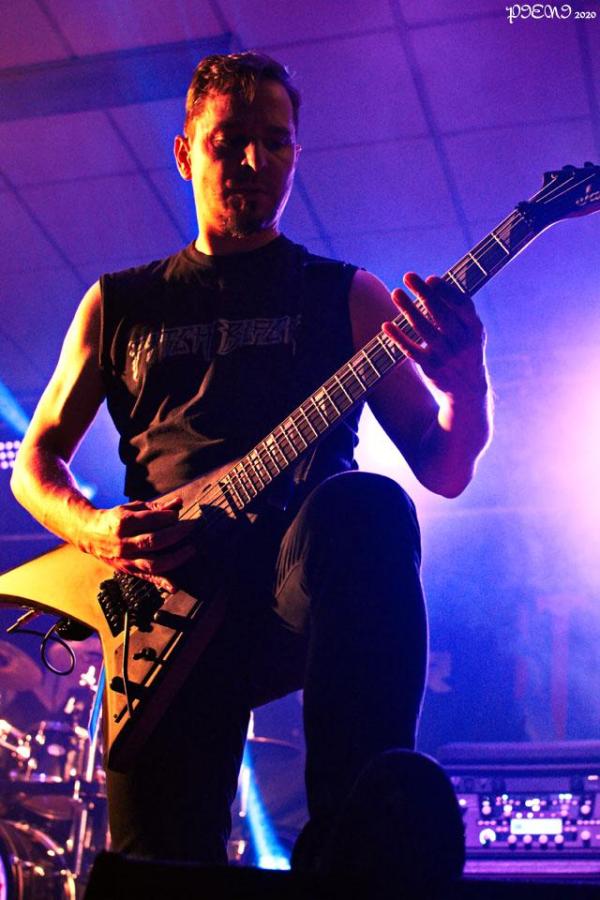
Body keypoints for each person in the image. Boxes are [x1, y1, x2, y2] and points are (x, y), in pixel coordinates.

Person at [10, 52, 491, 883]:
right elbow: (35, 463)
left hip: (291, 582)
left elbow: (444, 469)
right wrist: (94, 528)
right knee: (160, 867)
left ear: (297, 153)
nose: (254, 160)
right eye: (229, 140)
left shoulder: (347, 296)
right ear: (184, 152)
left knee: (368, 505)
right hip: (163, 604)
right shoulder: (118, 304)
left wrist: (467, 385)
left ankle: (353, 844)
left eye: (276, 141)